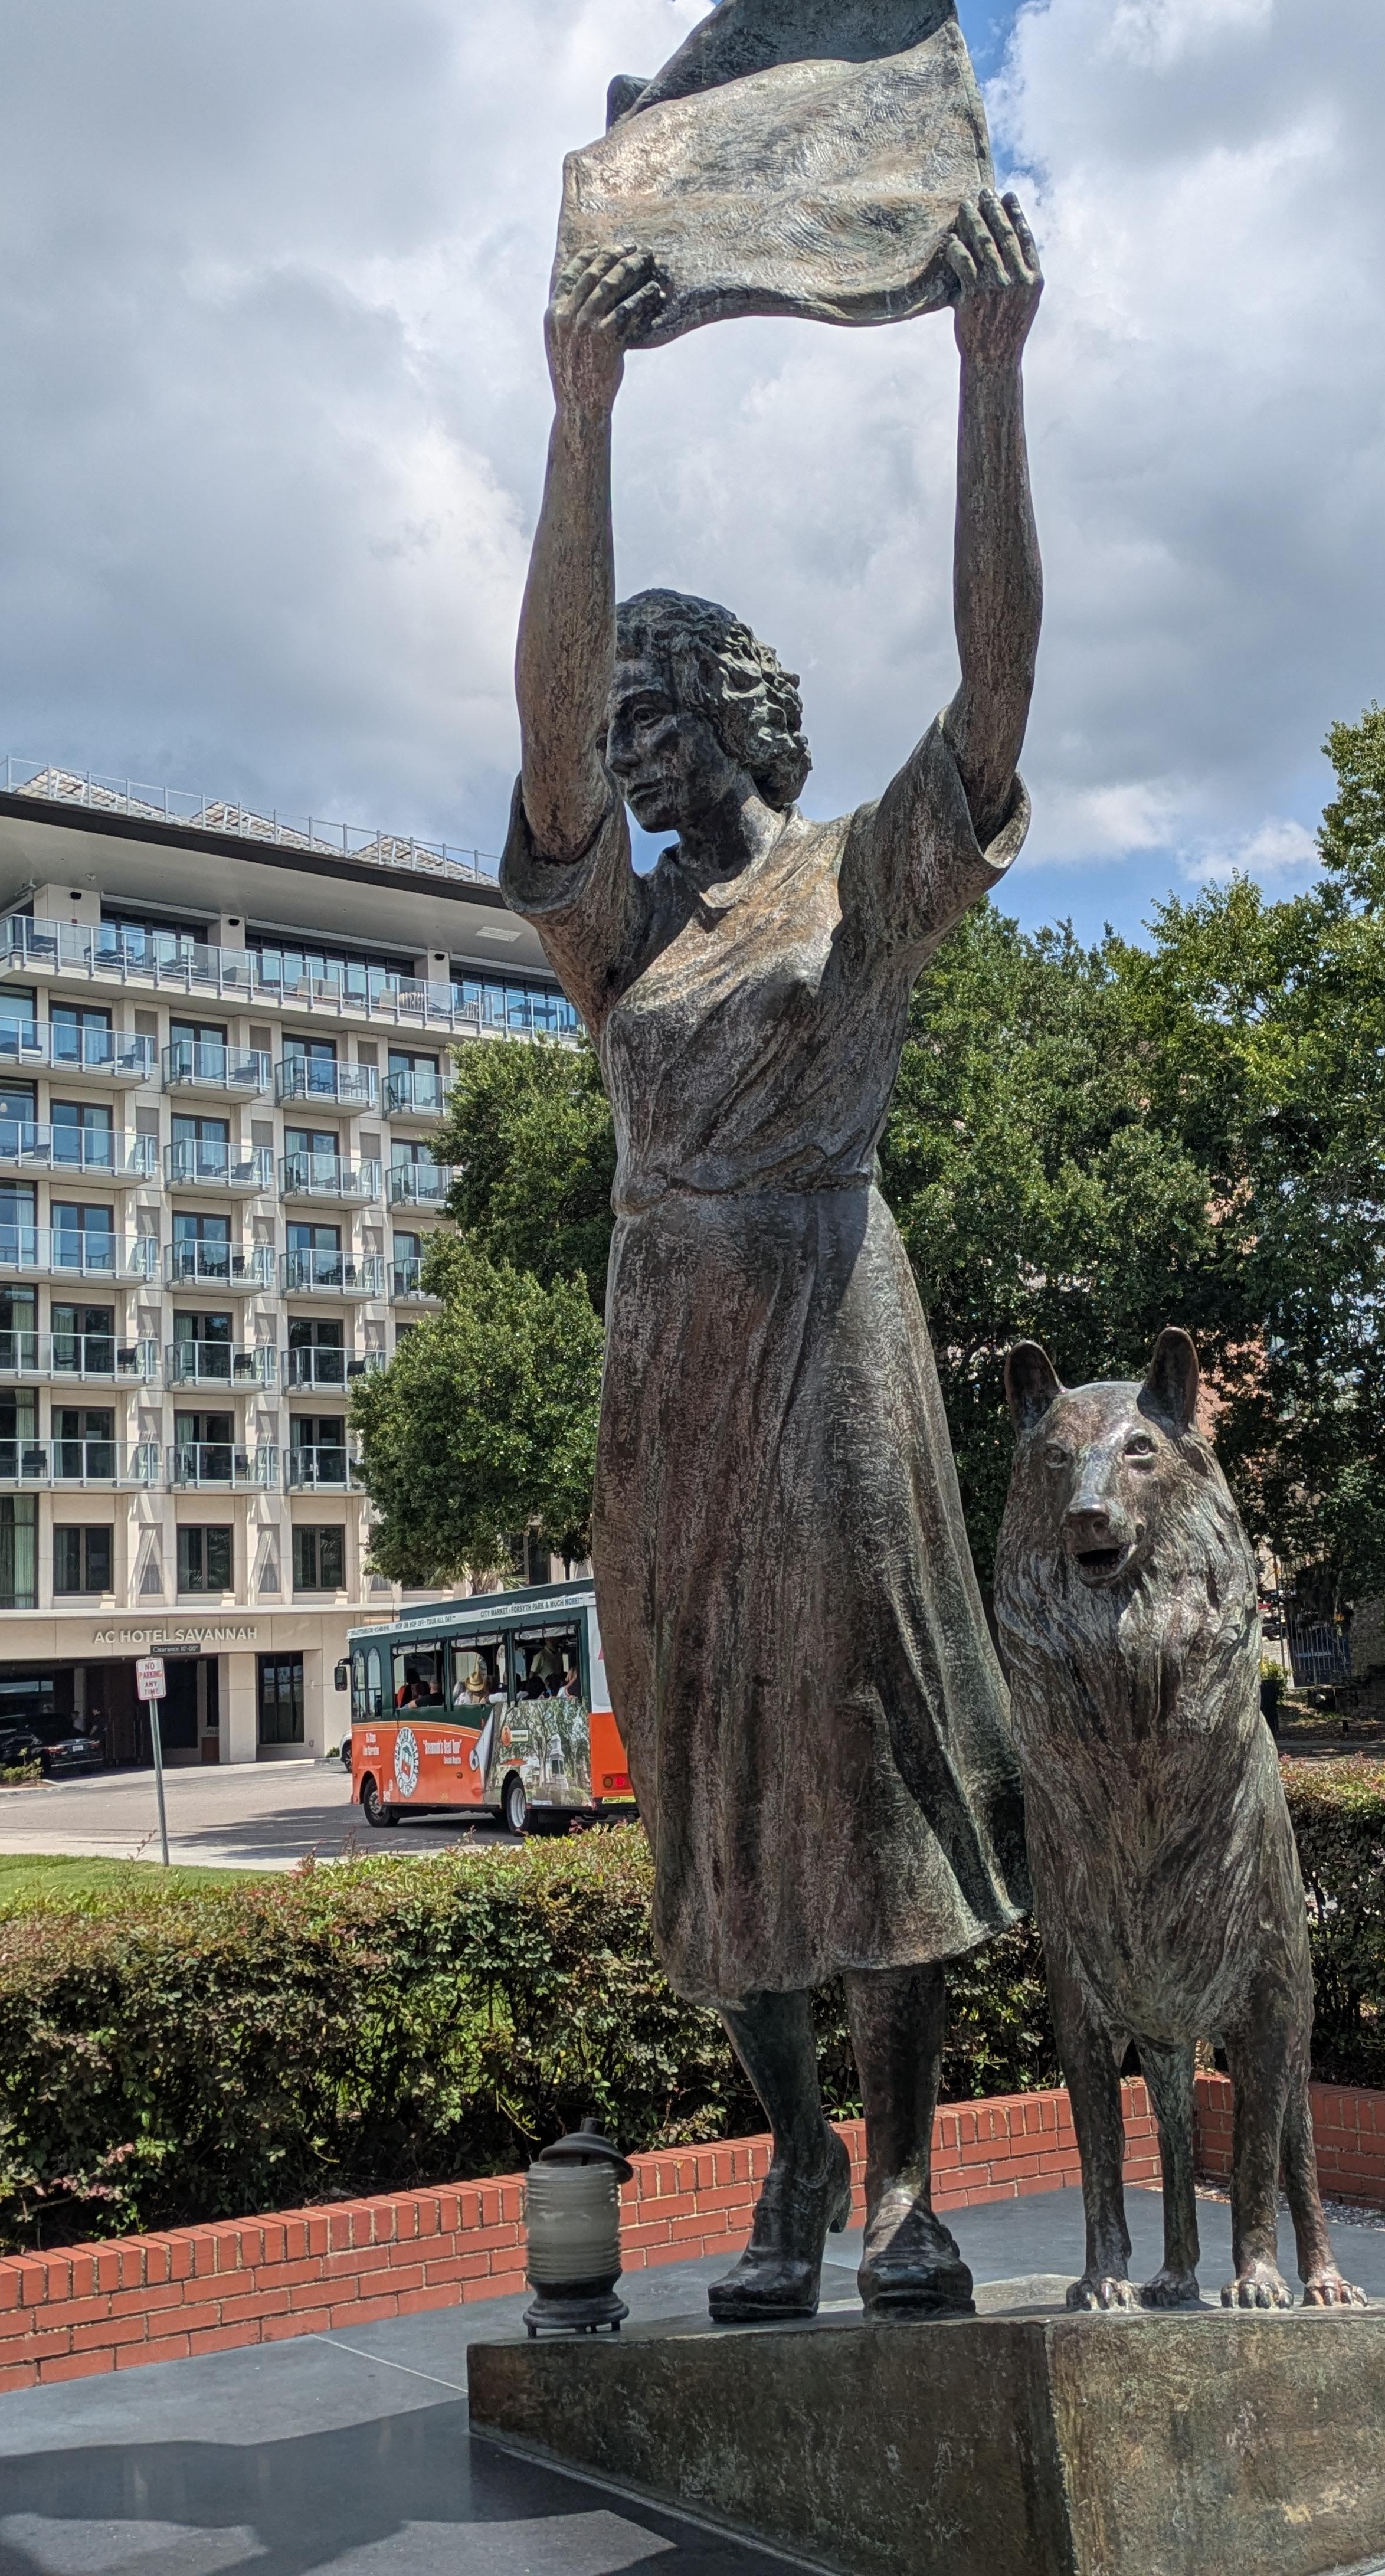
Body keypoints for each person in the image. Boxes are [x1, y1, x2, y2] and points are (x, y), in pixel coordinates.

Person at [506, 187, 1042, 2322]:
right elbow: (534, 754)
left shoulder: (857, 887)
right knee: (712, 1766)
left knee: (867, 1734)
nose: (631, 747)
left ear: (743, 713)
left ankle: (911, 2181)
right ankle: (794, 2160)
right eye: (618, 714)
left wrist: (990, 380)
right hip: (668, 1355)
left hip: (830, 1326)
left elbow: (995, 690)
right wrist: (583, 415)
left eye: (665, 706)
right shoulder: (615, 937)